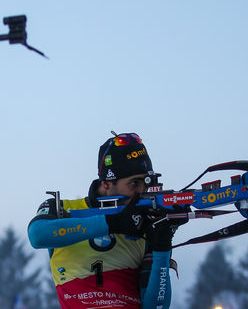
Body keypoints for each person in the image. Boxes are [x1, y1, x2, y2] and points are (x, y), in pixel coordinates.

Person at [28, 132, 187, 309]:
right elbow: (37, 235)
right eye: (134, 184)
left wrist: (163, 247)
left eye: (147, 183)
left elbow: (156, 306)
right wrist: (115, 223)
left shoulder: (146, 223)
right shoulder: (63, 208)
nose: (142, 191)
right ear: (106, 183)